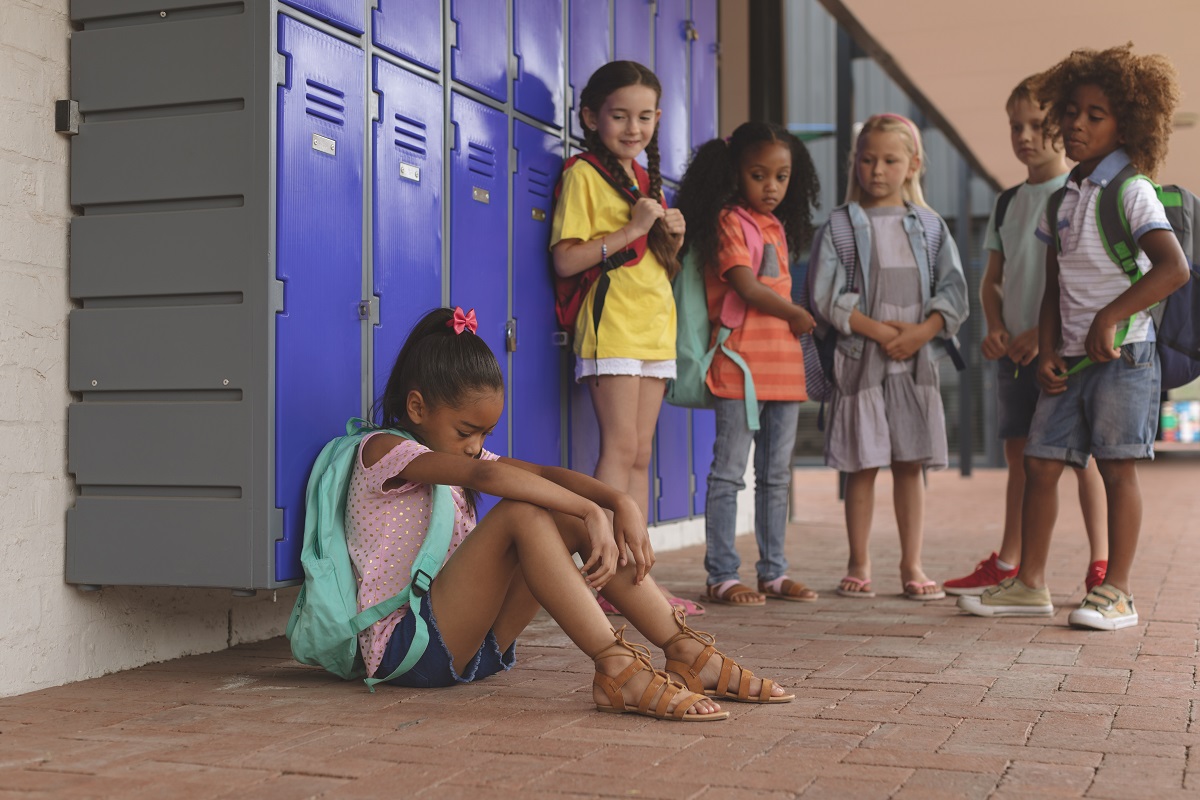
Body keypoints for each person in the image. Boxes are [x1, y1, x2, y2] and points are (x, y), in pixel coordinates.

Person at [348, 307, 795, 719]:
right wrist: (590, 509)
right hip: (405, 651)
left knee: (559, 512)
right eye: (467, 432)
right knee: (522, 513)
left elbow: (544, 473)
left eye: (484, 434)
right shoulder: (384, 449)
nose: (475, 447)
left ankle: (688, 653)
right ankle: (618, 668)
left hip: (474, 645)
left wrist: (617, 503)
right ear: (417, 407)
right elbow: (487, 478)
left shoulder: (459, 453)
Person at [959, 45, 1188, 629]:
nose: (1076, 124)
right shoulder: (1064, 198)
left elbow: (1172, 268)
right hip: (1068, 361)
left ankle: (1118, 591)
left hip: (1123, 356)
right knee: (1039, 464)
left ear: (1126, 125)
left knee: (1117, 468)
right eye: (1072, 111)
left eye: (1096, 115)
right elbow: (1054, 284)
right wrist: (1051, 348)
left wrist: (1110, 317)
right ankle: (1029, 584)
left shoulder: (1131, 190)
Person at [944, 78, 1109, 598]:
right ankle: (1010, 561)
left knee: (1082, 458)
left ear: (1060, 126)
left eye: (1038, 125)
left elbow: (1079, 278)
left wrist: (1042, 335)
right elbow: (991, 279)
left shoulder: (1078, 196)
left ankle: (1100, 562)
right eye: (1016, 126)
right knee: (1020, 456)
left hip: (1062, 351)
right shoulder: (1007, 201)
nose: (1025, 136)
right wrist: (993, 327)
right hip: (1012, 355)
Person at [550, 61, 701, 617]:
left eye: (643, 117)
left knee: (639, 453)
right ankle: (603, 576)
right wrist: (635, 229)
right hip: (611, 324)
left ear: (658, 119)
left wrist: (672, 240)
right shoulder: (583, 173)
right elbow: (566, 258)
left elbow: (657, 267)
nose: (633, 127)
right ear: (591, 117)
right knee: (618, 449)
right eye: (619, 115)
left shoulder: (645, 181)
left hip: (654, 328)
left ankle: (639, 578)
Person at [808, 113, 969, 601]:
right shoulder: (838, 226)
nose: (876, 169)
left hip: (915, 366)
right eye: (867, 159)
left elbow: (954, 292)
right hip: (861, 361)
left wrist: (922, 333)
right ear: (854, 162)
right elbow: (824, 295)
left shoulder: (931, 226)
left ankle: (911, 564)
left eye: (890, 160)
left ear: (913, 164)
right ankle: (858, 562)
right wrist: (879, 331)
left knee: (908, 465)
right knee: (862, 465)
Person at [672, 121, 821, 607]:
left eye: (781, 177)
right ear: (736, 173)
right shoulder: (730, 220)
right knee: (729, 474)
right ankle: (722, 574)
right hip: (740, 370)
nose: (772, 187)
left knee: (776, 476)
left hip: (783, 370)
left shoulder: (775, 225)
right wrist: (797, 312)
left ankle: (774, 573)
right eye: (760, 175)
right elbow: (744, 284)